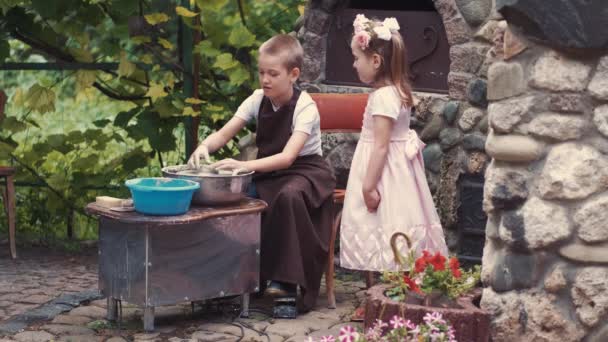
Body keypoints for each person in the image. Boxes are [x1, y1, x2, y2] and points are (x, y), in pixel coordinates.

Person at [187, 34, 336, 312]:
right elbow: (224, 133)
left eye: (273, 74)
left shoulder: (305, 107)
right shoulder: (257, 99)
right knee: (237, 200)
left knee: (289, 197)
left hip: (305, 171)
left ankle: (288, 286)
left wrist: (244, 166)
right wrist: (204, 147)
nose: (265, 79)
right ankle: (232, 281)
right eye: (261, 72)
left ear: (293, 75)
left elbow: (289, 157)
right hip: (268, 171)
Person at [340, 15, 448, 282]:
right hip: (397, 168)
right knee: (393, 222)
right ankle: (393, 287)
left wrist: (368, 186)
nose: (354, 64)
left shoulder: (383, 97)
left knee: (389, 221)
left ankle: (394, 288)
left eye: (357, 58)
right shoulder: (396, 91)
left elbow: (380, 146)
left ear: (375, 61)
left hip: (386, 172)